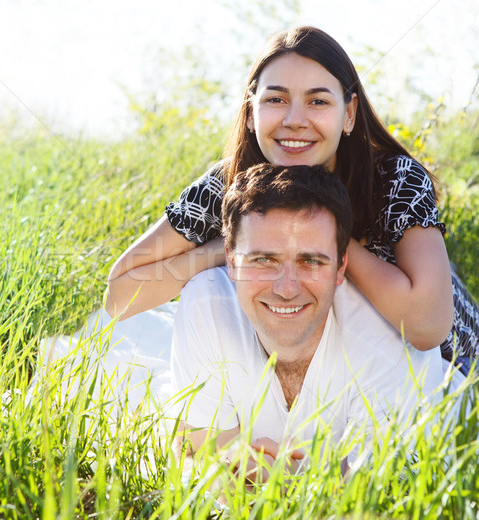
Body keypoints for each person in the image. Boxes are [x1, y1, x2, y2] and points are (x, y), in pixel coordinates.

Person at [105, 26, 478, 373]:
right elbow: (120, 296)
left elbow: (428, 326)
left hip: (438, 375)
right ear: (251, 113)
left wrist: (326, 238)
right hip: (302, 370)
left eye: (317, 101)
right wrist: (230, 247)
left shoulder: (393, 178)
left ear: (348, 114)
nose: (295, 120)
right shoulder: (228, 183)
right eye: (276, 99)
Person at [170, 163, 449, 475]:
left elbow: (377, 501)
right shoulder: (207, 306)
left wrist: (270, 485)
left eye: (311, 261)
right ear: (231, 261)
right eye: (263, 259)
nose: (286, 289)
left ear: (342, 265)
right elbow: (201, 462)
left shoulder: (390, 345)